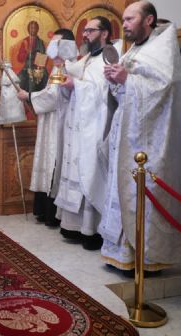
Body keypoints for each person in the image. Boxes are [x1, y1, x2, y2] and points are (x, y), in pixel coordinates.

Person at [99, 1, 181, 272]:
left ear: (148, 20)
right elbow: (125, 95)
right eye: (124, 19)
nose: (125, 25)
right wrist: (116, 81)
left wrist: (127, 80)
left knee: (143, 194)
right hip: (127, 133)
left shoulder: (164, 52)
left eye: (130, 19)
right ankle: (121, 254)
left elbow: (161, 91)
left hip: (149, 142)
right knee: (122, 191)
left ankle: (148, 258)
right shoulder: (135, 50)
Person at [54, 17, 116, 250]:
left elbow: (105, 92)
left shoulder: (109, 57)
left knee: (90, 172)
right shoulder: (89, 58)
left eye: (90, 30)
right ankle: (74, 226)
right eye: (85, 30)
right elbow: (76, 77)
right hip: (79, 124)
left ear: (104, 33)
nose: (85, 34)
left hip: (96, 126)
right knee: (76, 170)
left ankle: (91, 230)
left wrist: (76, 85)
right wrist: (65, 74)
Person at [17, 28, 76, 227]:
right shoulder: (59, 67)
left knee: (53, 162)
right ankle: (44, 211)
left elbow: (54, 96)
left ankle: (52, 213)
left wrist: (29, 96)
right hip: (50, 120)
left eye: (57, 43)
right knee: (47, 159)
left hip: (59, 122)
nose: (53, 47)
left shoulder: (68, 67)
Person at [16, 20, 48, 93]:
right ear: (28, 29)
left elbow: (43, 55)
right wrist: (27, 53)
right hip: (27, 66)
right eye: (31, 28)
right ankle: (25, 97)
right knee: (20, 80)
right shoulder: (25, 41)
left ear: (37, 29)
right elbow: (19, 58)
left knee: (45, 77)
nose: (33, 30)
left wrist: (39, 65)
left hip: (38, 66)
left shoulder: (40, 42)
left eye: (35, 28)